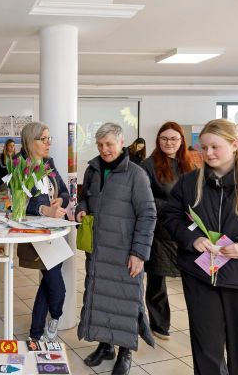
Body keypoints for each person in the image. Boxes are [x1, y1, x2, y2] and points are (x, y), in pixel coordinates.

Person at [164, 119, 238, 375]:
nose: (207, 154)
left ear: (234, 145)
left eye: (214, 147)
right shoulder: (189, 184)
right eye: (203, 147)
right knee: (206, 351)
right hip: (200, 278)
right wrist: (193, 238)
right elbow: (171, 217)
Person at [76, 123, 156, 375]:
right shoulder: (93, 170)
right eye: (100, 145)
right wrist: (81, 208)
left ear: (122, 143)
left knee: (125, 302)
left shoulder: (136, 174)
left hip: (124, 253)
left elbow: (148, 214)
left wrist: (139, 253)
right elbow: (84, 196)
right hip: (98, 251)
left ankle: (125, 353)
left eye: (109, 144)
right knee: (100, 299)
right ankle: (105, 346)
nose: (104, 150)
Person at [15, 123, 72, 342]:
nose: (49, 143)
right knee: (57, 287)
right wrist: (42, 209)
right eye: (44, 139)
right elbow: (17, 203)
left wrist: (60, 199)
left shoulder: (49, 163)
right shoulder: (19, 165)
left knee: (48, 282)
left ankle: (35, 333)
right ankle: (54, 317)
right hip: (36, 233)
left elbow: (65, 192)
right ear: (30, 141)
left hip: (55, 231)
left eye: (50, 139)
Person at [140, 122, 195, 341]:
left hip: (187, 230)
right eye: (164, 138)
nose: (169, 143)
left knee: (192, 278)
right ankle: (159, 325)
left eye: (173, 139)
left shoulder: (190, 164)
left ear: (181, 141)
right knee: (157, 280)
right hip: (159, 232)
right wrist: (174, 207)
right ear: (158, 140)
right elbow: (144, 199)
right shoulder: (148, 165)